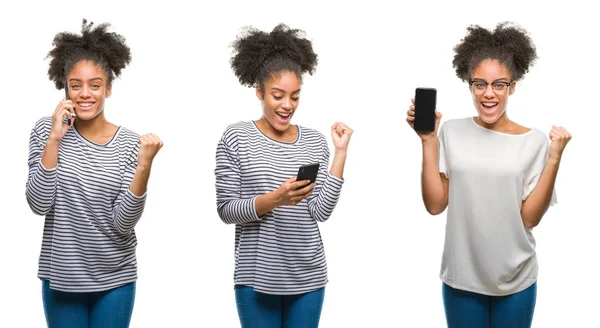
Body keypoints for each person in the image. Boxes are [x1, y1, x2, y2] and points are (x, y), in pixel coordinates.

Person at [406, 22, 571, 328]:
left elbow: (530, 218)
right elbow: (435, 205)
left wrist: (554, 159)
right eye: (479, 84)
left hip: (516, 280)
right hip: (462, 278)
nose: (489, 94)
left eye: (499, 84)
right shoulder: (451, 132)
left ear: (512, 86)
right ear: (469, 85)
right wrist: (428, 140)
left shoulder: (533, 141)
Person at [25, 19, 163, 328]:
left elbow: (122, 223)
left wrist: (144, 166)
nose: (85, 94)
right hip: (61, 275)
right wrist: (55, 138)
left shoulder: (130, 143)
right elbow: (38, 204)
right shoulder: (45, 131)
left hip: (116, 277)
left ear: (109, 88)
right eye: (76, 85)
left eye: (95, 85)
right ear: (65, 88)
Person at [215, 23, 353, 328]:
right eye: (278, 95)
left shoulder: (315, 141)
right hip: (255, 277)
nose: (287, 105)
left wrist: (340, 153)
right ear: (259, 91)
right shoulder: (236, 137)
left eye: (295, 96)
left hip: (309, 275)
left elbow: (320, 211)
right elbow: (226, 210)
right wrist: (275, 199)